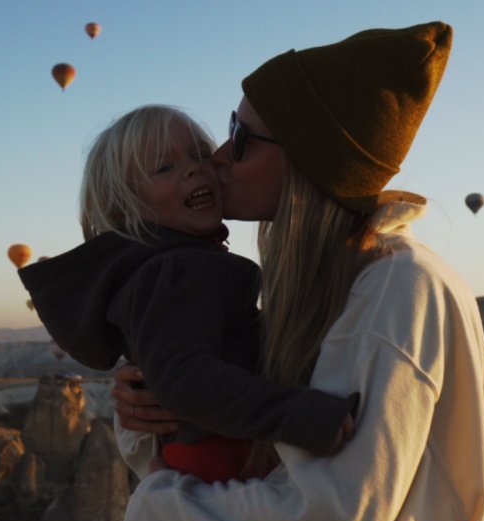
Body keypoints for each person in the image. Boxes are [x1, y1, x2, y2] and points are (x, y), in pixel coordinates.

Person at [113, 22, 484, 521]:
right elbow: (252, 449)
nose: (216, 156)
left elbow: (335, 520)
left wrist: (155, 508)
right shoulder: (323, 285)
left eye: (240, 136)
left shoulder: (397, 289)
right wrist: (150, 406)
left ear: (308, 156)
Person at [18, 105, 359, 480]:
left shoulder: (166, 266)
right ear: (124, 207)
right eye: (165, 168)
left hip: (213, 451)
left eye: (200, 155)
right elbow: (185, 379)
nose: (194, 169)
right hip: (228, 456)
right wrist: (300, 414)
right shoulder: (177, 269)